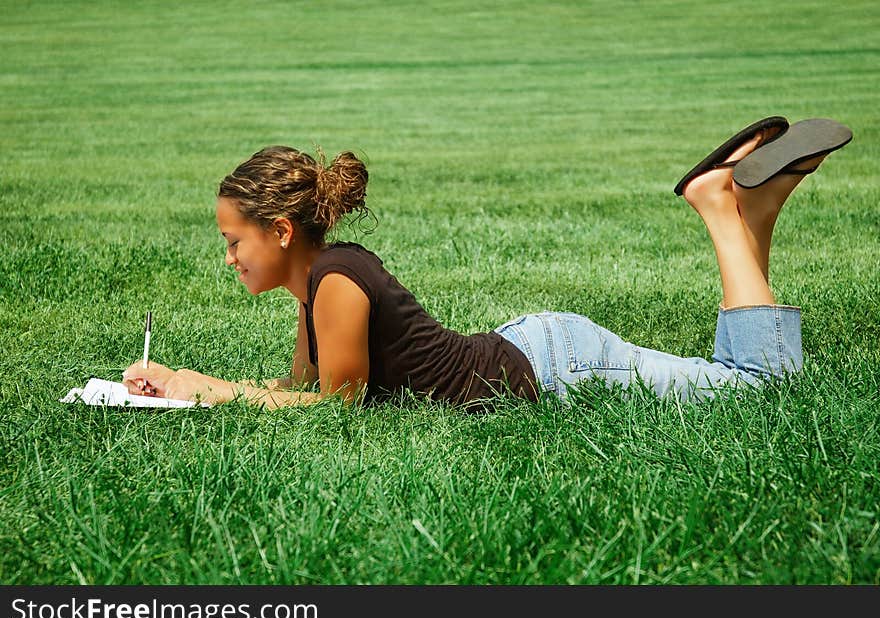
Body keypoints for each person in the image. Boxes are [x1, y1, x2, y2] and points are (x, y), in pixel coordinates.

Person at [123, 117, 853, 412]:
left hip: (559, 365)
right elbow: (297, 388)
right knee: (736, 386)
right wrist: (181, 387)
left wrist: (204, 389)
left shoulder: (337, 282)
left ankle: (723, 209)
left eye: (233, 241)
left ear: (280, 231)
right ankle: (751, 212)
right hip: (532, 349)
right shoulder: (319, 283)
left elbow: (331, 411)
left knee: (759, 393)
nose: (227, 258)